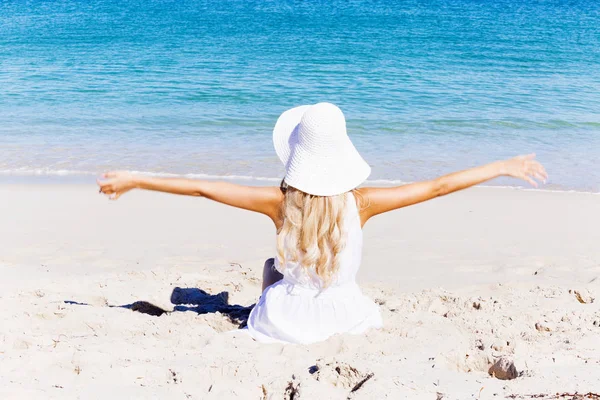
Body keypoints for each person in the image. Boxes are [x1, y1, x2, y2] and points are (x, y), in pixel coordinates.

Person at [97, 102, 548, 344]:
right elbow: (437, 187)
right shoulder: (365, 203)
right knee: (314, 273)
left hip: (283, 322)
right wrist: (501, 166)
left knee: (273, 268)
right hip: (344, 317)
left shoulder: (278, 202)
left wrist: (136, 178)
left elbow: (204, 188)